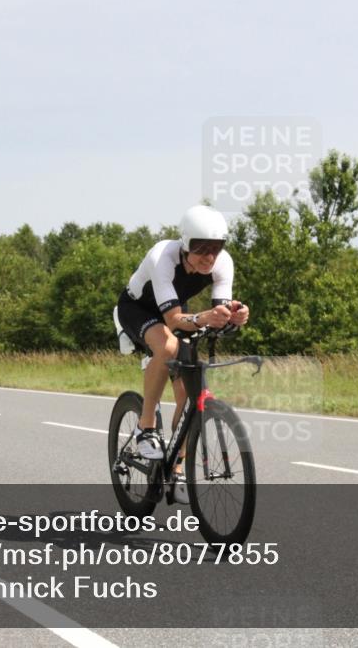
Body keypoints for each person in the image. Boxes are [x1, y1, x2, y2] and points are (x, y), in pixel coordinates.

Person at [116, 206, 250, 502]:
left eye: (216, 247)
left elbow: (219, 314)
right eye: (201, 248)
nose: (209, 256)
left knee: (190, 394)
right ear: (186, 243)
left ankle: (175, 468)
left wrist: (234, 317)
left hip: (176, 309)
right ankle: (145, 426)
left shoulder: (223, 263)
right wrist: (205, 318)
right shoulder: (163, 257)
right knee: (167, 347)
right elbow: (174, 321)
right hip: (138, 309)